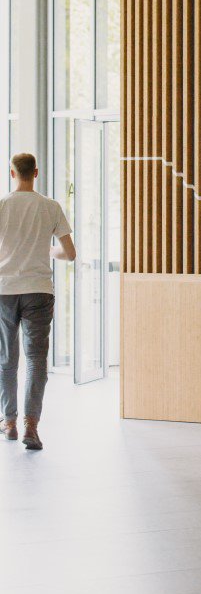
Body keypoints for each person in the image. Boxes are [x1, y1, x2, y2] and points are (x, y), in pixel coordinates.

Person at [0, 153, 76, 451]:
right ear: (36, 173)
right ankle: (31, 427)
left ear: (12, 173)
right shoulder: (50, 206)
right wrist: (47, 251)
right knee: (36, 360)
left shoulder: (2, 205)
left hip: (5, 290)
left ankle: (9, 423)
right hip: (39, 292)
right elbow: (69, 253)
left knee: (7, 360)